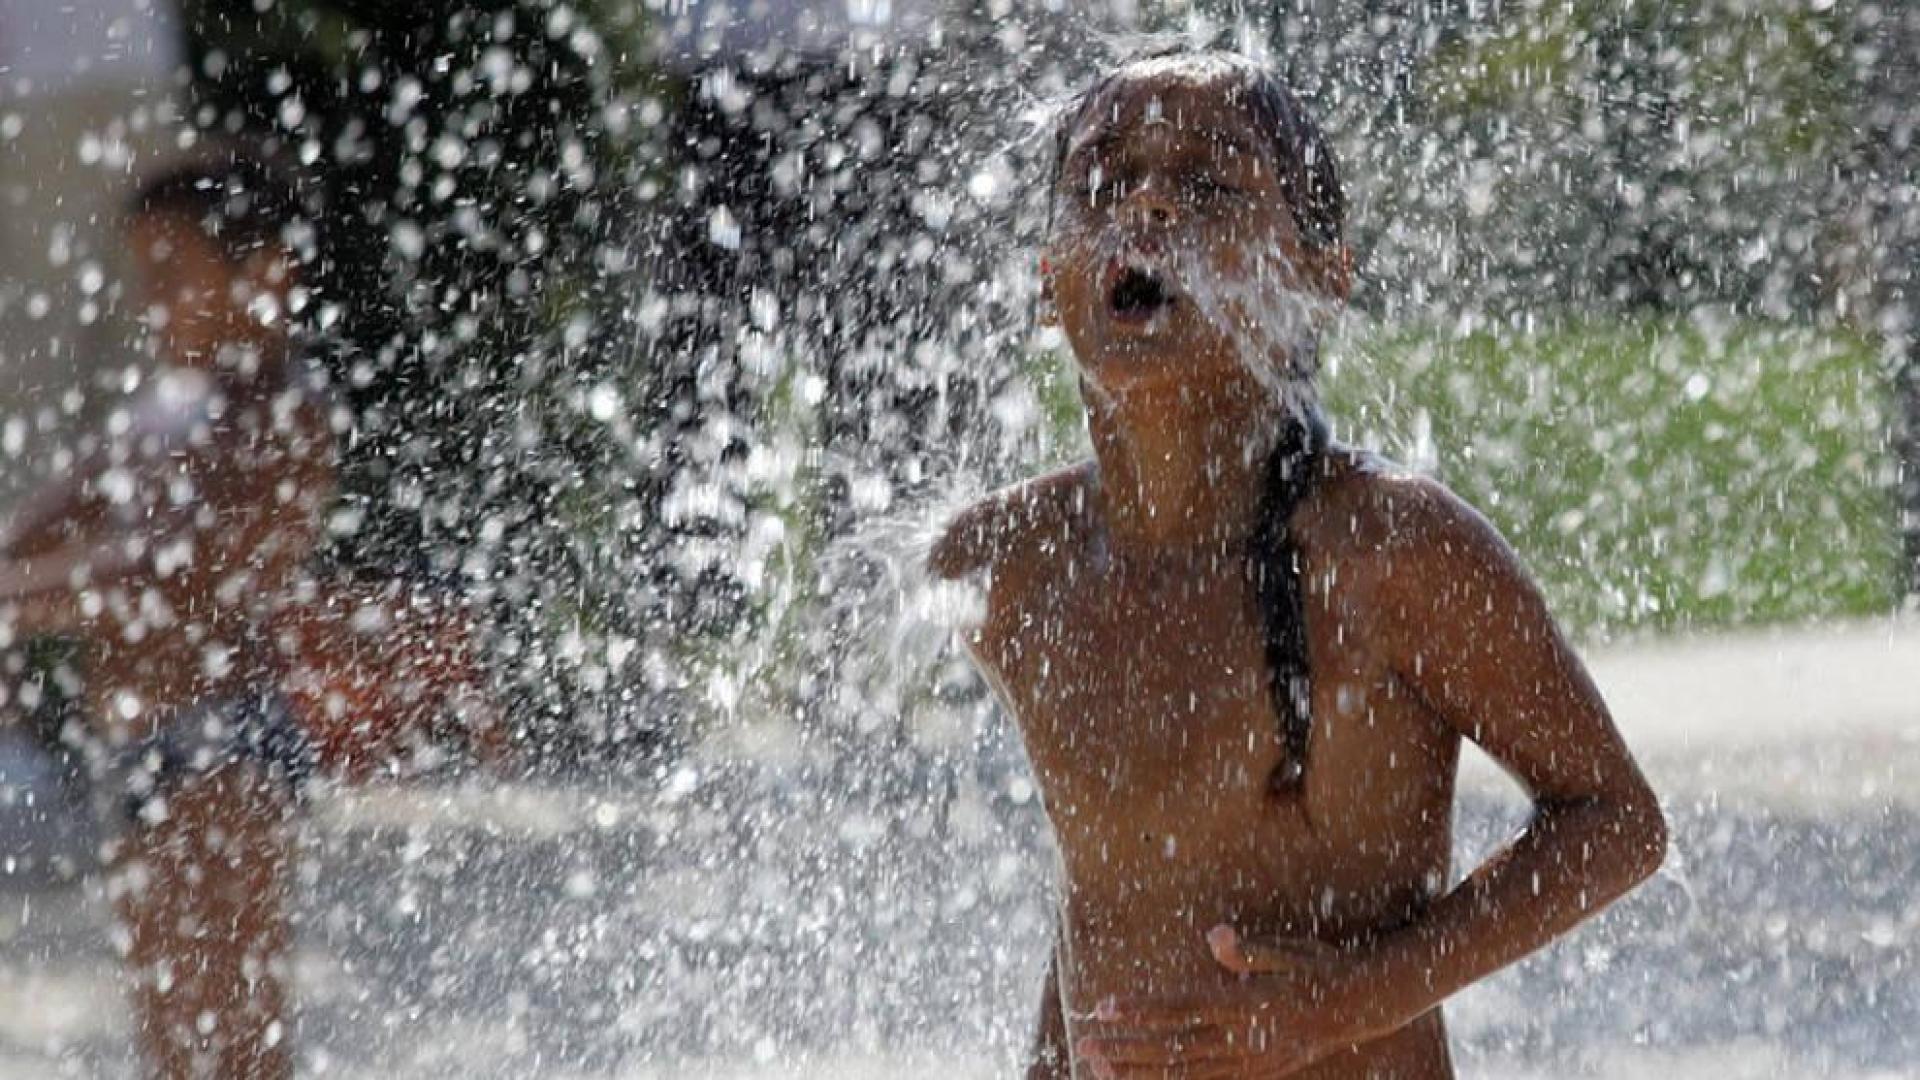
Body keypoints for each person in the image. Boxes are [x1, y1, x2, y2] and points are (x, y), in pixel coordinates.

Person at [930, 49, 1667, 1079]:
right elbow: (1107, 893)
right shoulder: (1011, 565)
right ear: (1051, 279)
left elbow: (1616, 821)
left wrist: (1356, 1001)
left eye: (1209, 183)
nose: (1145, 203)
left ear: (1319, 278)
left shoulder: (1388, 555)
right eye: (1103, 178)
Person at [0, 153, 498, 1079]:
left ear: (267, 274)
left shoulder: (282, 414)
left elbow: (176, 573)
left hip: (224, 745)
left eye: (172, 275)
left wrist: (21, 603)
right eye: (142, 277)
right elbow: (40, 530)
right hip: (136, 748)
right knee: (166, 1025)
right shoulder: (161, 411)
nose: (150, 303)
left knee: (232, 1025)